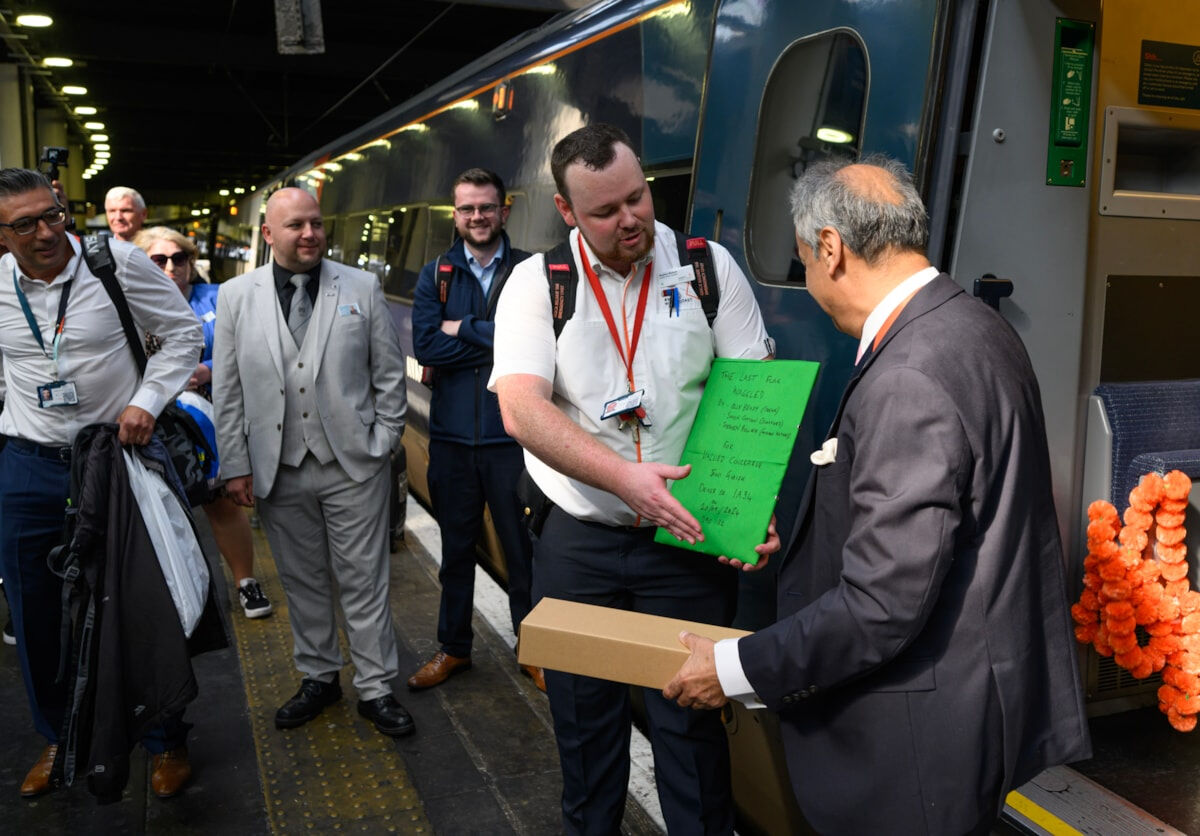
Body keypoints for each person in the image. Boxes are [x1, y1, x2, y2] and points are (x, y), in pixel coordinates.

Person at [663, 156, 1092, 834]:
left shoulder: (909, 376)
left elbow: (881, 604)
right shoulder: (976, 326)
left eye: (804, 259)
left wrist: (732, 667)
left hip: (915, 747)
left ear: (831, 248)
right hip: (975, 706)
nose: (807, 279)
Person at [490, 124, 775, 834]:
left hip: (685, 543)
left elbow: (751, 395)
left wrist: (749, 502)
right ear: (566, 212)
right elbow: (521, 409)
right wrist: (626, 479)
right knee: (586, 742)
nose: (631, 221)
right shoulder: (538, 283)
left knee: (694, 737)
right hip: (579, 543)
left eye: (638, 198)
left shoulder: (708, 270)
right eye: (605, 212)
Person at [0, 168, 204, 798]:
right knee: (34, 614)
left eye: (52, 215)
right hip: (27, 464)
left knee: (136, 602)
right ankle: (60, 736)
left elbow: (181, 334)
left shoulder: (110, 262)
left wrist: (145, 400)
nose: (45, 233)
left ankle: (164, 738)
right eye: (25, 224)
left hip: (112, 460)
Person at [212, 187, 414, 738]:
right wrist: (235, 465)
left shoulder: (362, 286)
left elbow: (389, 374)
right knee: (302, 580)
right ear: (269, 234)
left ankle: (375, 688)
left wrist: (385, 441)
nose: (310, 234)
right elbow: (228, 390)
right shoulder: (235, 297)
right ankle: (319, 677)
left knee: (364, 579)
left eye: (317, 224)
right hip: (277, 465)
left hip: (354, 464)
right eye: (296, 225)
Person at [406, 169, 542, 693]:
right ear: (455, 215)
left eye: (486, 207)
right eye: (467, 209)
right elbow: (425, 347)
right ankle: (453, 648)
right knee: (456, 552)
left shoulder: (532, 270)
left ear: (504, 210)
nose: (477, 217)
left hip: (516, 440)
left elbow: (540, 341)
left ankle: (532, 651)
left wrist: (460, 327)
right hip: (452, 442)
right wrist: (499, 342)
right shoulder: (434, 274)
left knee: (521, 552)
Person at [134, 226, 272, 619]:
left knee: (221, 502)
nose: (172, 267)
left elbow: (254, 349)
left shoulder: (219, 298)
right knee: (153, 512)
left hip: (208, 421)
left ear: (192, 263)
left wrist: (209, 370)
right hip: (149, 422)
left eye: (180, 259)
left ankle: (246, 583)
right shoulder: (126, 304)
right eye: (159, 260)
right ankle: (171, 596)